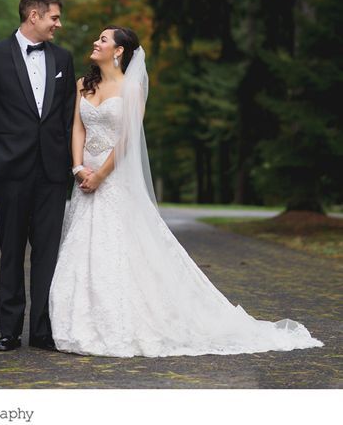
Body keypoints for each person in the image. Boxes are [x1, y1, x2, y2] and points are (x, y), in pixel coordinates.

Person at [48, 26, 323, 356]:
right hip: (83, 178)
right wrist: (78, 168)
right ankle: (77, 323)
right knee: (82, 247)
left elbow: (127, 140)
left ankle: (123, 321)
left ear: (119, 51)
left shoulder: (131, 89)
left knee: (120, 249)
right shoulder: (83, 84)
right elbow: (78, 128)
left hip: (112, 178)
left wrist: (101, 176)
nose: (96, 42)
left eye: (103, 39)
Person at [0, 0, 76, 352]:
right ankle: (9, 330)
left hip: (52, 172)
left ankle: (43, 330)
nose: (58, 25)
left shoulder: (63, 58)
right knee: (11, 250)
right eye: (54, 18)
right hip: (10, 170)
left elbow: (65, 117)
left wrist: (67, 164)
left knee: (48, 252)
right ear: (34, 15)